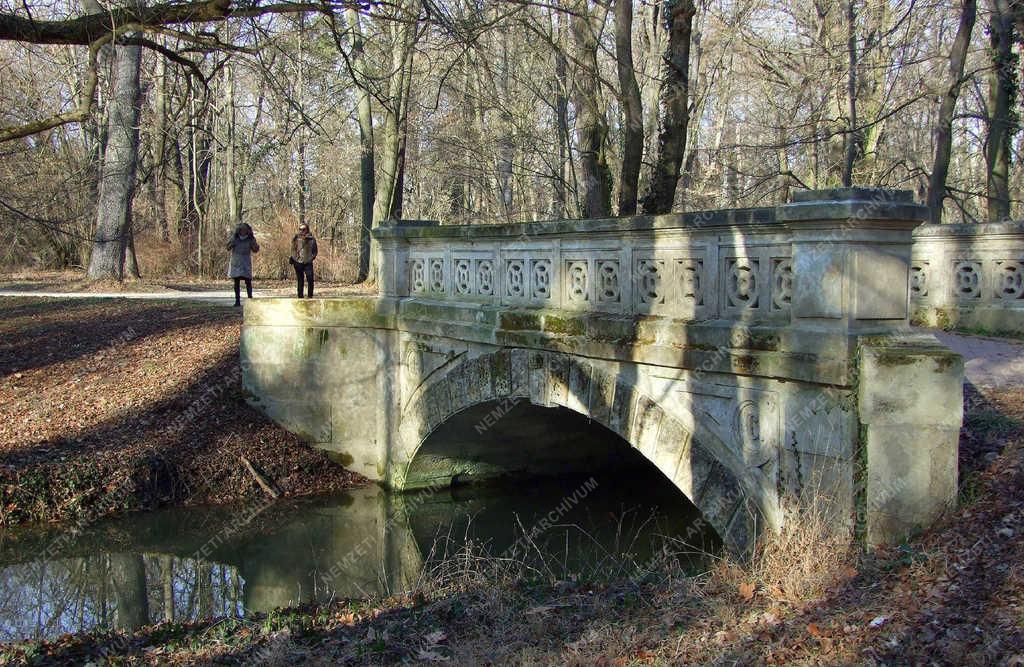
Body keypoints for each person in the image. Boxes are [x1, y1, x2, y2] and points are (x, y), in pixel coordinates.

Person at [227, 223, 259, 307]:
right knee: (236, 282)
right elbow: (228, 247)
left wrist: (253, 243)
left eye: (245, 230)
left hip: (246, 262)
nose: (243, 231)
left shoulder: (250, 239)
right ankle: (237, 300)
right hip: (236, 262)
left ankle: (250, 299)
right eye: (242, 230)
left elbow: (255, 250)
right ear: (239, 230)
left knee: (248, 281)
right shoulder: (235, 238)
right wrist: (232, 241)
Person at [290, 223, 318, 298]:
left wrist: (311, 258)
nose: (302, 231)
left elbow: (315, 251)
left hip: (308, 262)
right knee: (300, 280)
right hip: (298, 262)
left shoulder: (312, 239)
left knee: (310, 279)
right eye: (300, 229)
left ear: (307, 229)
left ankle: (310, 296)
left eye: (303, 229)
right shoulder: (296, 238)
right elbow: (293, 249)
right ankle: (300, 297)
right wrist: (295, 258)